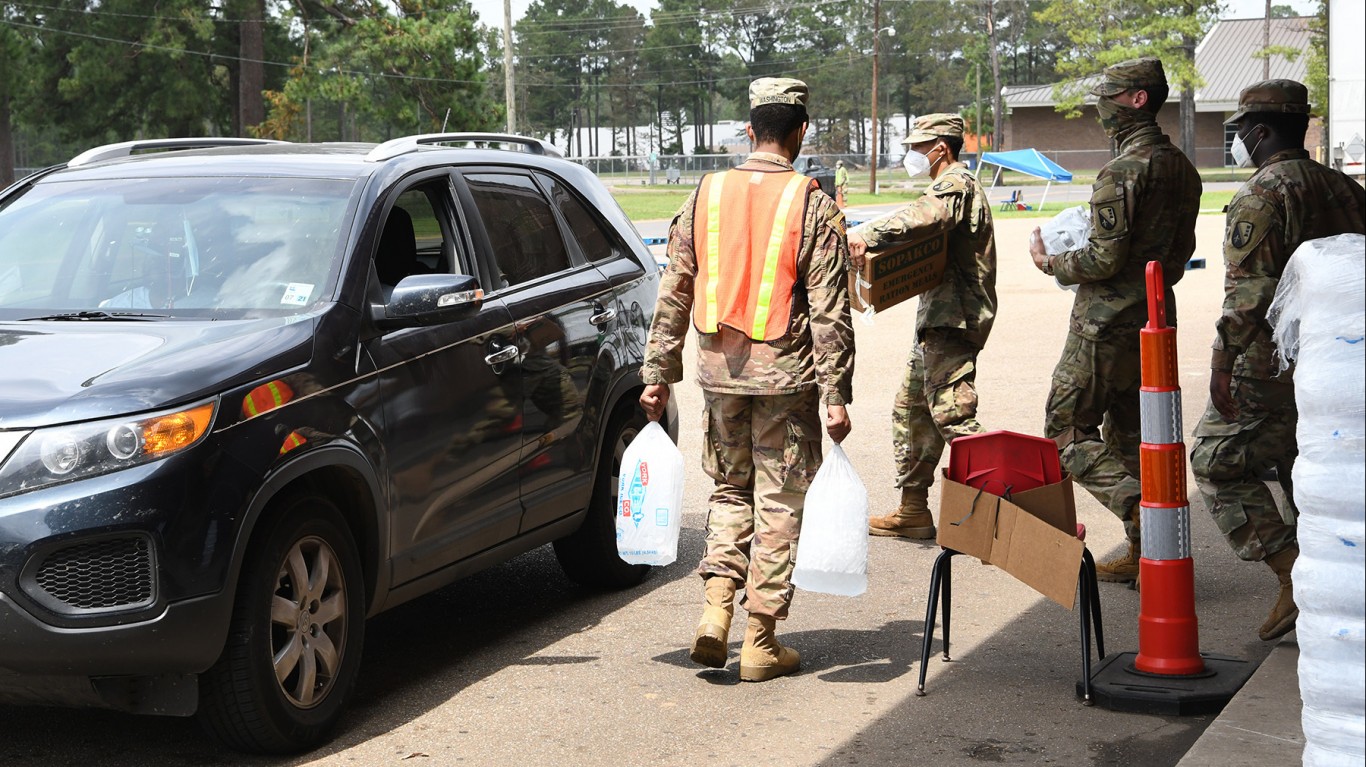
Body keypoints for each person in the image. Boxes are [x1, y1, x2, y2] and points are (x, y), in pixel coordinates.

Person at [638, 77, 855, 682]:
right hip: (786, 378)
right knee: (778, 499)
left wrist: (657, 374)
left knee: (729, 491)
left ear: (748, 130)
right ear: (801, 131)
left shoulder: (706, 194)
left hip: (718, 374)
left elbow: (674, 287)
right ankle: (760, 639)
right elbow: (831, 310)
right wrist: (838, 394)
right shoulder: (810, 201)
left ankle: (715, 613)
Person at [1191, 79, 1366, 641]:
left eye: (1241, 130)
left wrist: (1223, 361)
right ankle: (1334, 581)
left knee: (1216, 462)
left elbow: (1250, 292)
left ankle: (1293, 572)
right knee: (1301, 463)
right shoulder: (1345, 188)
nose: (1239, 140)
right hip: (1337, 360)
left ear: (1260, 132)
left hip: (1270, 363)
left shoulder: (1262, 194)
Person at [1026, 57, 1201, 583]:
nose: (1100, 106)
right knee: (1129, 437)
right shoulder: (1183, 169)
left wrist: (1049, 262)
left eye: (1109, 94)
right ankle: (1146, 554)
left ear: (1137, 99)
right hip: (1153, 317)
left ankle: (1146, 526)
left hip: (1104, 324)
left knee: (1065, 430)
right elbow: (1180, 252)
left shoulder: (1125, 170)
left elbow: (1102, 259)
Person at [847, 113, 997, 538]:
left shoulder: (956, 183)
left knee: (953, 416)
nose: (912, 155)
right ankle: (913, 509)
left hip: (955, 319)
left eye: (917, 147)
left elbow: (926, 214)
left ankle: (1012, 507)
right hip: (938, 319)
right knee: (912, 409)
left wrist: (867, 233)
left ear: (941, 148)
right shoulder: (948, 183)